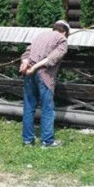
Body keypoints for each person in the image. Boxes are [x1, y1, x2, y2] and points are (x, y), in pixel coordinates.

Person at [19, 20, 69, 148]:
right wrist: (35, 67)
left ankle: (27, 141)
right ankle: (47, 141)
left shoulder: (40, 35)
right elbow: (52, 58)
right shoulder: (62, 40)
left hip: (29, 73)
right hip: (44, 76)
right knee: (47, 109)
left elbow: (26, 53)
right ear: (64, 32)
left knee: (29, 107)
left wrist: (25, 63)